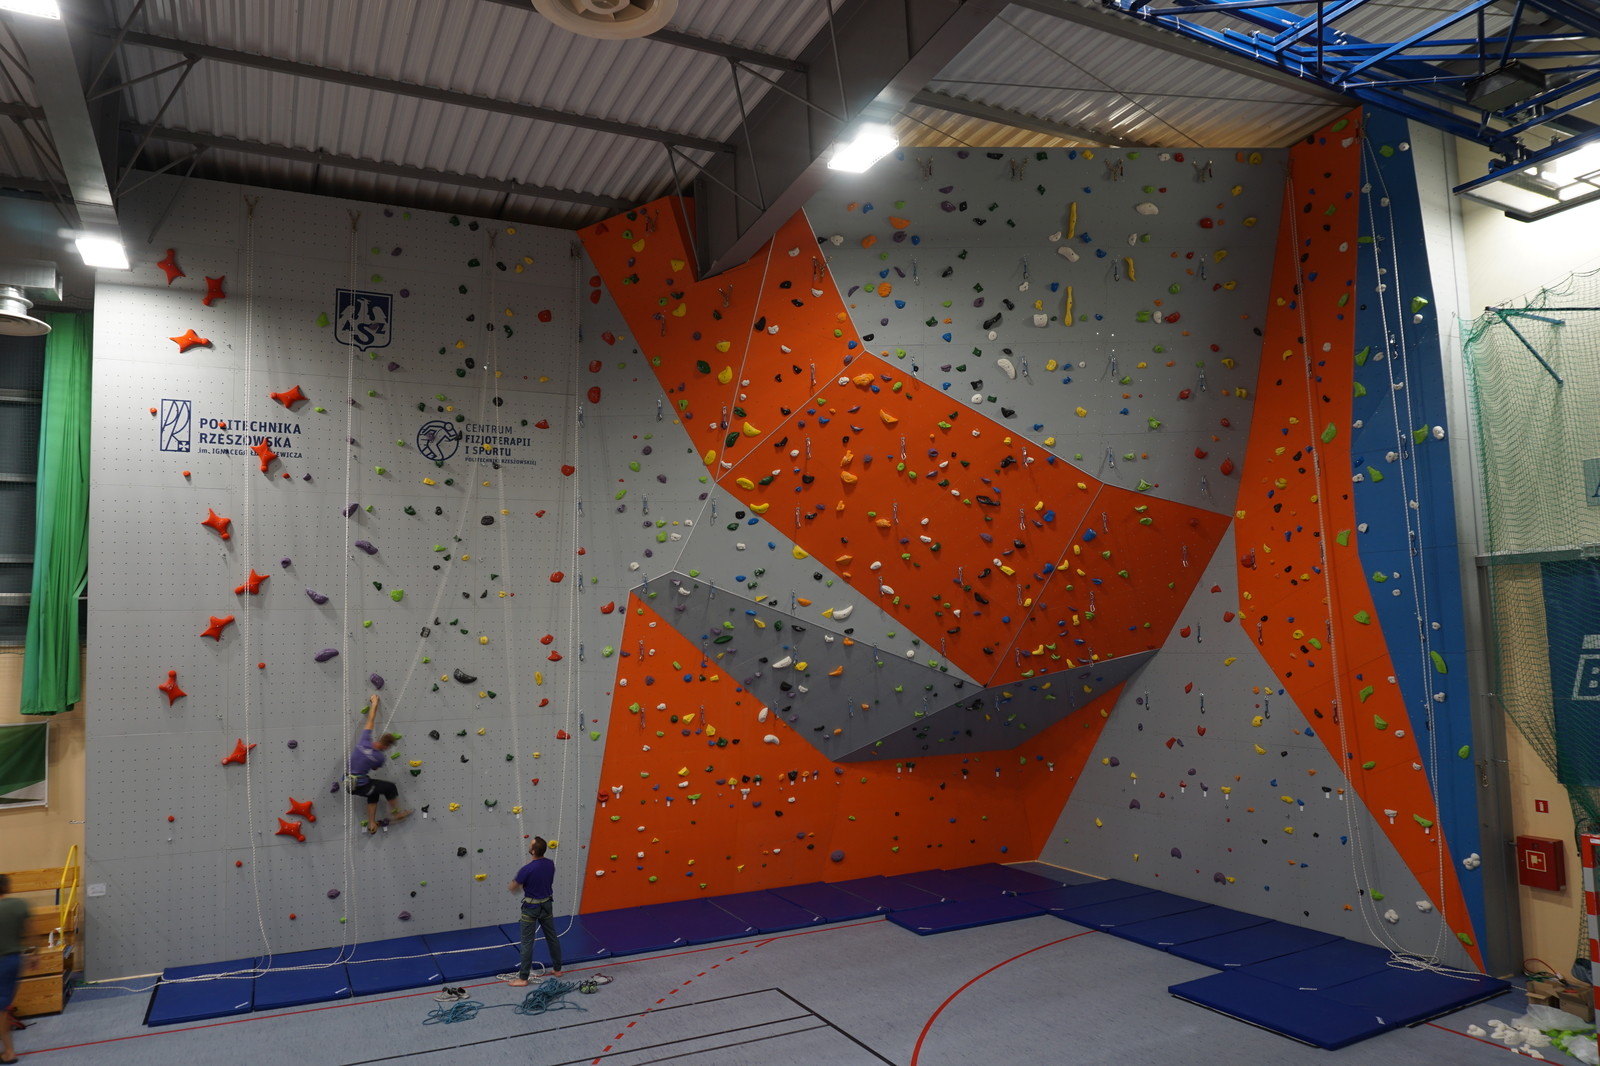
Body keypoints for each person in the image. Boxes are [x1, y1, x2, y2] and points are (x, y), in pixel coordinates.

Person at [349, 693, 410, 834]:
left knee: (374, 791)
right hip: (358, 785)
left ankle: (371, 823)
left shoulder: (364, 739)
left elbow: (371, 719)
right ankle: (396, 814)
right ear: (386, 747)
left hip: (349, 781)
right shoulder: (379, 757)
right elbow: (375, 767)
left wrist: (374, 702)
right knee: (390, 787)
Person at [507, 836, 560, 986]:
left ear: (533, 851)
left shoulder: (527, 869)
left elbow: (513, 888)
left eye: (530, 845)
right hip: (547, 905)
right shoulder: (550, 864)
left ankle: (523, 978)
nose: (529, 846)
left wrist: (516, 883)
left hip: (531, 908)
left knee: (527, 942)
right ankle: (557, 969)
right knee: (552, 937)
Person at [0, 873, 29, 1065]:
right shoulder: (19, 904)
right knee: (3, 1007)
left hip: (1, 962)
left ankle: (9, 1052)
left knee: (1, 1010)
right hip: (15, 960)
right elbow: (31, 933)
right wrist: (34, 954)